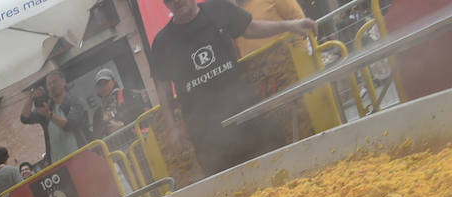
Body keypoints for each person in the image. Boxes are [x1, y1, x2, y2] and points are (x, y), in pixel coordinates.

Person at [150, 0, 315, 176]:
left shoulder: (218, 9)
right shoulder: (162, 42)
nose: (177, 2)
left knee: (278, 164)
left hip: (245, 111)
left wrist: (290, 25)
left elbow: (251, 28)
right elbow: (163, 87)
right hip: (206, 132)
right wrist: (172, 128)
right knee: (229, 188)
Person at [20, 71, 91, 165]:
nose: (52, 86)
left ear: (63, 82)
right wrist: (31, 98)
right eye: (49, 84)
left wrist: (49, 115)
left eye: (55, 82)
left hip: (80, 157)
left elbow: (69, 125)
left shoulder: (75, 101)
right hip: (57, 163)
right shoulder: (47, 108)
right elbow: (25, 118)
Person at [235, 0, 308, 55]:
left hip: (291, 66)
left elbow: (298, 20)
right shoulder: (230, 13)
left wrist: (301, 54)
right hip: (257, 72)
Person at [93, 69, 143, 139]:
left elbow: (140, 114)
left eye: (105, 82)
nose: (103, 87)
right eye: (100, 85)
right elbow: (96, 137)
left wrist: (121, 125)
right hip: (114, 147)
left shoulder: (126, 94)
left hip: (136, 139)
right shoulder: (98, 112)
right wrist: (104, 121)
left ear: (113, 81)